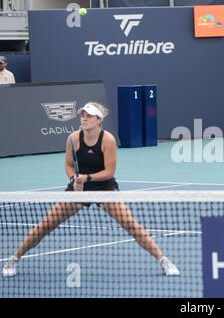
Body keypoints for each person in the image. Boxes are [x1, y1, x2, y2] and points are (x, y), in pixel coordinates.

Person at [2, 102, 180, 277]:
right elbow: (69, 164)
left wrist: (87, 178)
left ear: (99, 120)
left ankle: (163, 260)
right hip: (79, 189)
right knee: (46, 225)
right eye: (83, 115)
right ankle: (14, 258)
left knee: (131, 225)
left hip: (104, 188)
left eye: (89, 116)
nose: (84, 119)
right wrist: (74, 179)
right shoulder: (73, 138)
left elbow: (110, 172)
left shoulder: (108, 140)